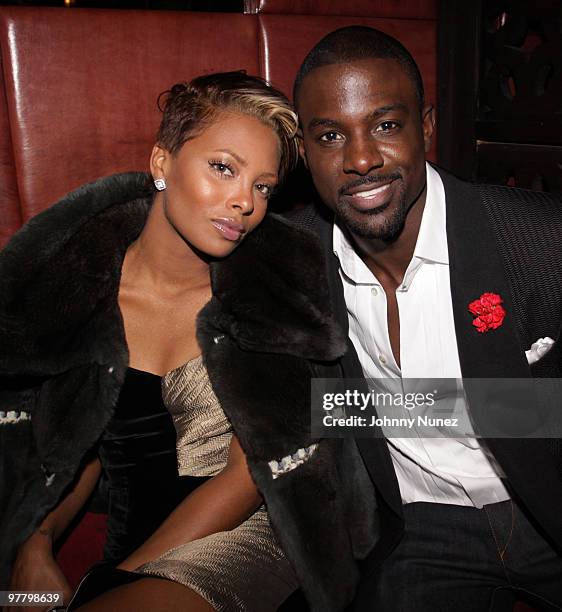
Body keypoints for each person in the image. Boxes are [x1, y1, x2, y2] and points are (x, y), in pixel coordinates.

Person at [0, 71, 376, 612]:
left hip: (249, 538)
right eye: (223, 168)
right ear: (161, 163)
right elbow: (82, 444)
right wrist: (35, 542)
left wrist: (118, 580)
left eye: (262, 186)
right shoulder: (84, 284)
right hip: (136, 541)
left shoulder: (273, 291)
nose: (244, 201)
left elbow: (249, 473)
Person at [291, 26, 562, 611]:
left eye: (386, 126)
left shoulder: (537, 238)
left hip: (546, 509)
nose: (361, 158)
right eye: (331, 135)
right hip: (417, 528)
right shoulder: (293, 262)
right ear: (305, 151)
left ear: (428, 128)